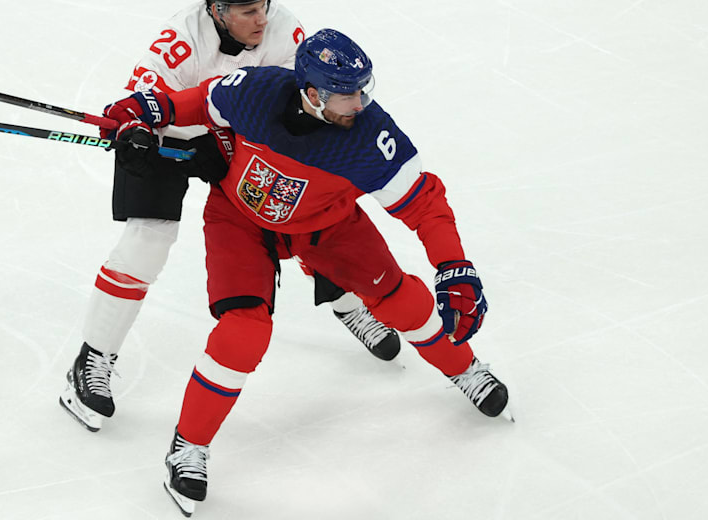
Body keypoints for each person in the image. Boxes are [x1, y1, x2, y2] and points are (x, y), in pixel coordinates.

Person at [97, 28, 513, 516]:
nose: (359, 103)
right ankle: (188, 445)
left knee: (403, 301)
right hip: (240, 218)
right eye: (346, 94)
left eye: (363, 90)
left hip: (327, 226)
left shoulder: (367, 138)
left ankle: (465, 369)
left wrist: (454, 268)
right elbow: (191, 104)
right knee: (242, 333)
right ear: (311, 94)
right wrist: (145, 110)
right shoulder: (254, 90)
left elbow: (425, 203)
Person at [60, 0, 400, 433]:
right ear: (215, 9)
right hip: (174, 133)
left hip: (241, 141)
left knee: (298, 208)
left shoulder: (286, 32)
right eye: (246, 10)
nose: (261, 18)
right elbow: (141, 106)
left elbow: (291, 116)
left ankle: (345, 301)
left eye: (264, 3)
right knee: (148, 239)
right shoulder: (179, 43)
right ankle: (92, 359)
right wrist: (136, 136)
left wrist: (228, 147)